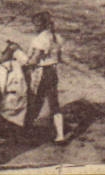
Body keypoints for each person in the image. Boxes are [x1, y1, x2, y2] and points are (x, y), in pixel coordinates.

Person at [22, 10, 67, 144]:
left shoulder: (40, 39)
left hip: (41, 73)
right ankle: (60, 135)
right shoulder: (57, 37)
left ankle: (26, 130)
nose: (34, 27)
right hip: (53, 72)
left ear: (41, 25)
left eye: (36, 25)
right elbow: (59, 58)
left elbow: (35, 60)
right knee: (54, 103)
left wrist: (23, 61)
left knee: (34, 100)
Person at [0, 41, 29, 137]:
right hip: (22, 93)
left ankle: (5, 132)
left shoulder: (2, 66)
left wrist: (0, 96)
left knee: (4, 112)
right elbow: (25, 59)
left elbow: (2, 85)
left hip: (10, 95)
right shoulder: (17, 63)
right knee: (18, 115)